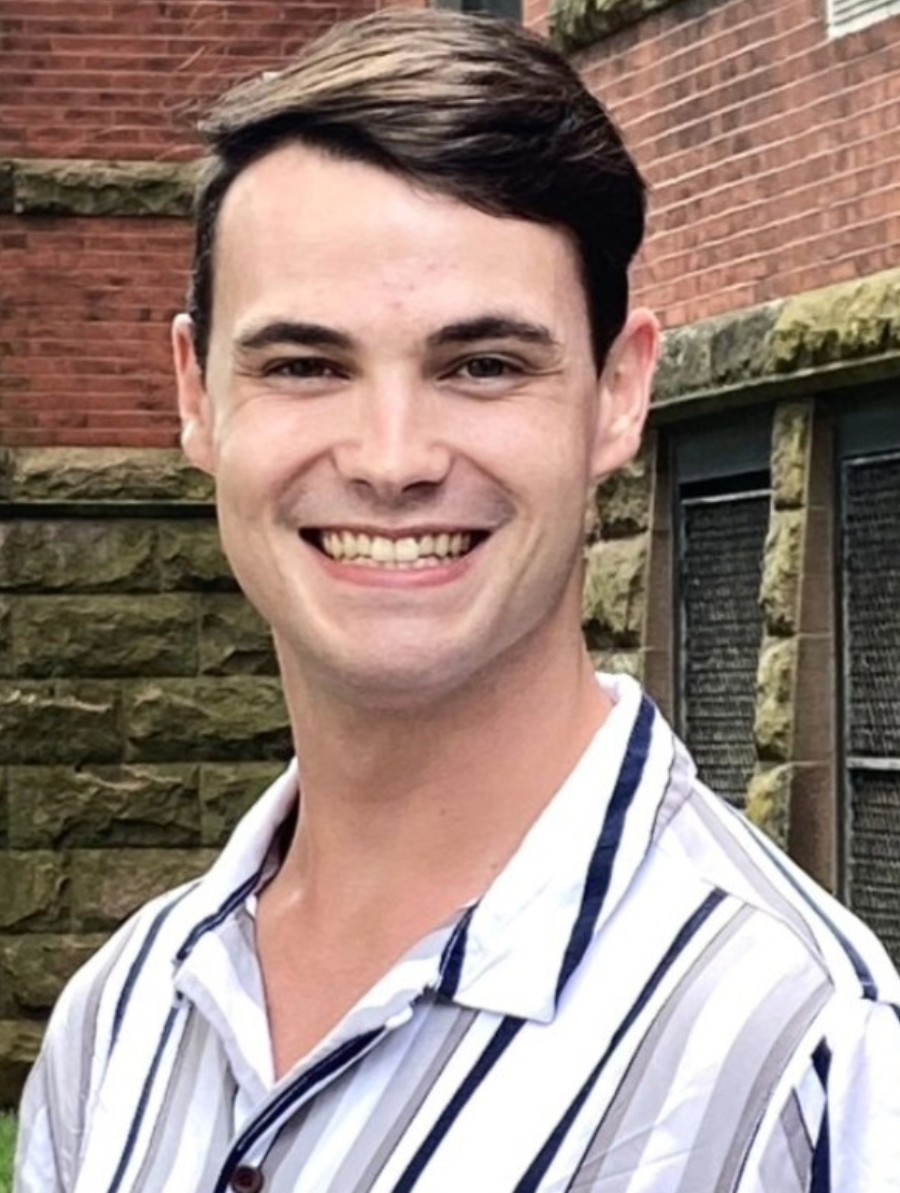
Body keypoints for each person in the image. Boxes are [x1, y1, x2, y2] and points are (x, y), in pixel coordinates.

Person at [14, 9, 900, 1192]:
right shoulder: (118, 1020)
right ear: (196, 395)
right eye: (304, 365)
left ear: (619, 393)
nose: (392, 457)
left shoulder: (812, 1063)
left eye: (482, 364)